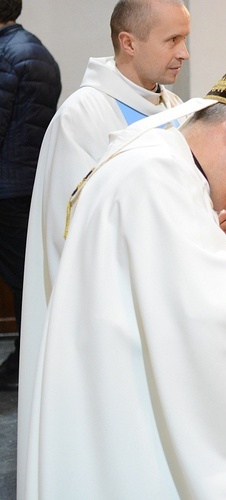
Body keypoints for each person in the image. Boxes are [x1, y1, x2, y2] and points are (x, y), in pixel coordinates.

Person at [18, 26, 226, 499]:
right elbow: (208, 313)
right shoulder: (154, 176)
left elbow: (196, 308)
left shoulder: (166, 170)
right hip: (126, 422)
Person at [16, 0, 226, 485]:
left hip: (166, 311)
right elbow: (76, 230)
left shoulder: (178, 111)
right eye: (172, 40)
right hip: (109, 316)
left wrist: (214, 227)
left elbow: (181, 209)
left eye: (186, 38)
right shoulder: (85, 115)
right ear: (128, 42)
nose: (184, 53)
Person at [0, 0, 61, 391]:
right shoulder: (37, 51)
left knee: (22, 283)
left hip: (5, 187)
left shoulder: (6, 53)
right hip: (26, 183)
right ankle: (27, 363)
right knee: (27, 281)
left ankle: (25, 367)